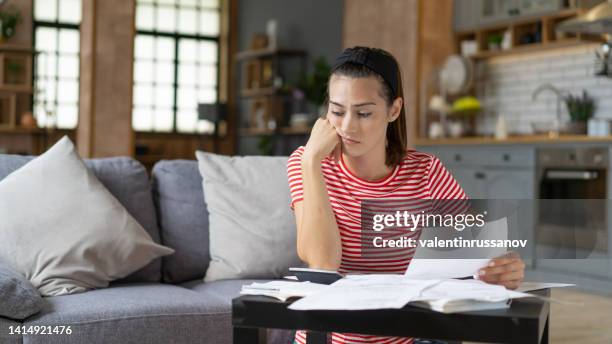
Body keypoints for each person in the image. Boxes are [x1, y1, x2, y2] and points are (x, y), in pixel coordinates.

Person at [286, 46, 525, 344]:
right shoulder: (305, 162)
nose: (347, 126)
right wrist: (312, 163)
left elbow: (475, 250)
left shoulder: (426, 172)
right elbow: (323, 264)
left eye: (363, 113)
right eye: (336, 111)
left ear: (393, 110)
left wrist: (502, 269)